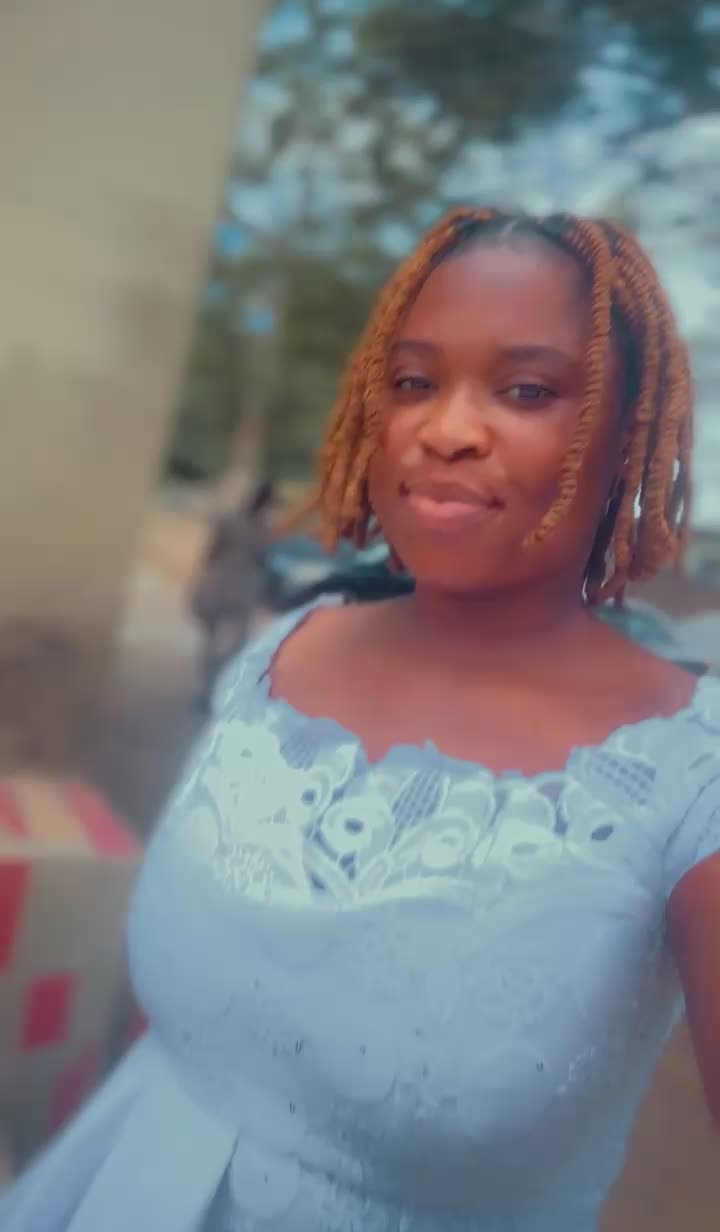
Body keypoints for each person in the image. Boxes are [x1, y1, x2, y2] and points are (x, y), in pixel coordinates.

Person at [2, 207, 719, 1232]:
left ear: (629, 432)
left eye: (526, 389)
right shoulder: (285, 652)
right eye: (414, 382)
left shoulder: (689, 771)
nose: (446, 428)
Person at [190, 480, 275, 710]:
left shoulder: (232, 522)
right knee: (234, 644)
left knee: (214, 642)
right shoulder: (263, 531)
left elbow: (212, 553)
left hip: (223, 584)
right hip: (241, 589)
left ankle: (208, 690)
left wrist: (201, 581)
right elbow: (263, 561)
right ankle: (216, 690)